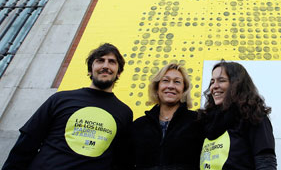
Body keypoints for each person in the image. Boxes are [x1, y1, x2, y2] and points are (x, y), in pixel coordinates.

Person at [2, 43, 133, 170]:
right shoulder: (60, 99)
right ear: (90, 70)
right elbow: (27, 142)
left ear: (119, 72)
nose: (105, 66)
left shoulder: (125, 112)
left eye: (112, 62)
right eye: (100, 61)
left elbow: (120, 158)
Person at [199, 61, 277, 170]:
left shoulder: (254, 117)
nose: (214, 86)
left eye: (221, 80)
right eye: (212, 82)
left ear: (237, 84)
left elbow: (265, 162)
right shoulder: (206, 121)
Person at [131, 63, 203, 170]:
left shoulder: (198, 122)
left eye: (177, 82)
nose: (171, 86)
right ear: (157, 87)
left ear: (184, 90)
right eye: (165, 80)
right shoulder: (138, 125)